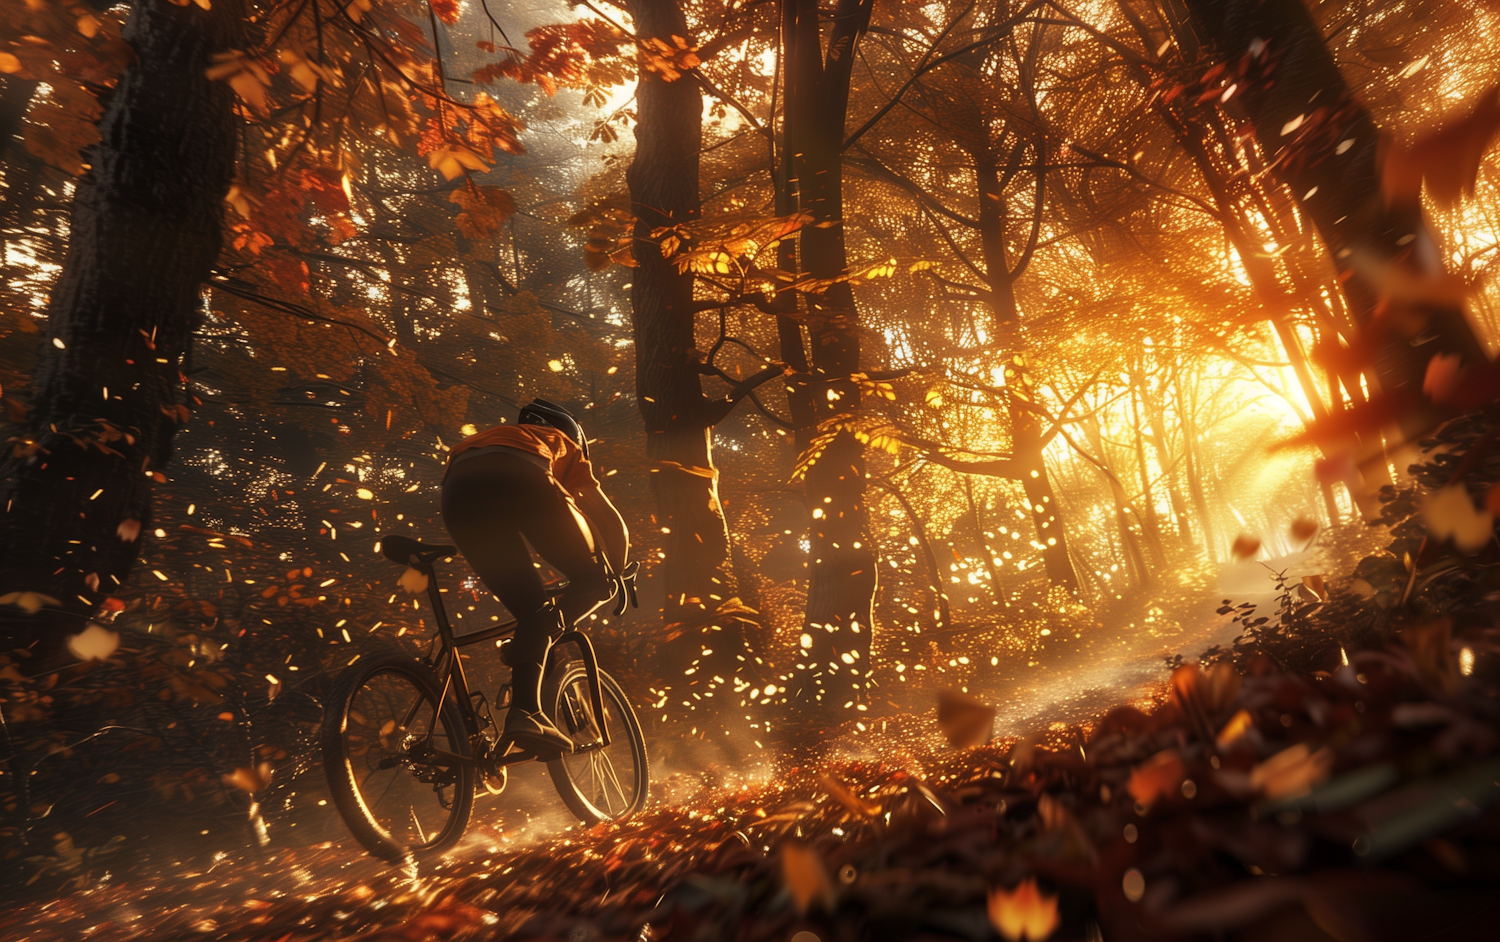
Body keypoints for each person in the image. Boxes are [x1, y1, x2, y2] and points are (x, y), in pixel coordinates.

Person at [441, 399, 629, 754]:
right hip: (521, 474)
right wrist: (616, 572)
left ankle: (530, 667)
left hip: (456, 489)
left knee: (531, 610)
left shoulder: (492, 437)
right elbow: (608, 519)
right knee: (594, 583)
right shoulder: (562, 444)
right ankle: (528, 693)